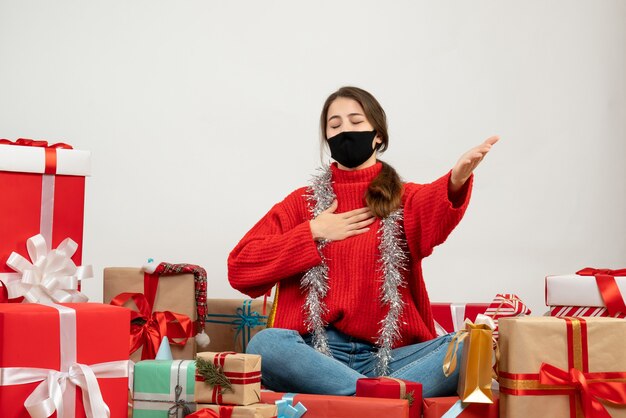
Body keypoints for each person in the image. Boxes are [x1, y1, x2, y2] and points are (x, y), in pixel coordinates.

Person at [228, 86, 498, 397]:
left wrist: (456, 180)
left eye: (356, 121)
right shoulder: (301, 204)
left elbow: (433, 208)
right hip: (315, 356)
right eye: (335, 125)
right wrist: (312, 232)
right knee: (266, 344)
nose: (345, 130)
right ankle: (379, 400)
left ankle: (361, 398)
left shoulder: (404, 199)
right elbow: (240, 267)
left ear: (378, 135)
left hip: (390, 359)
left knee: (466, 347)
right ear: (327, 137)